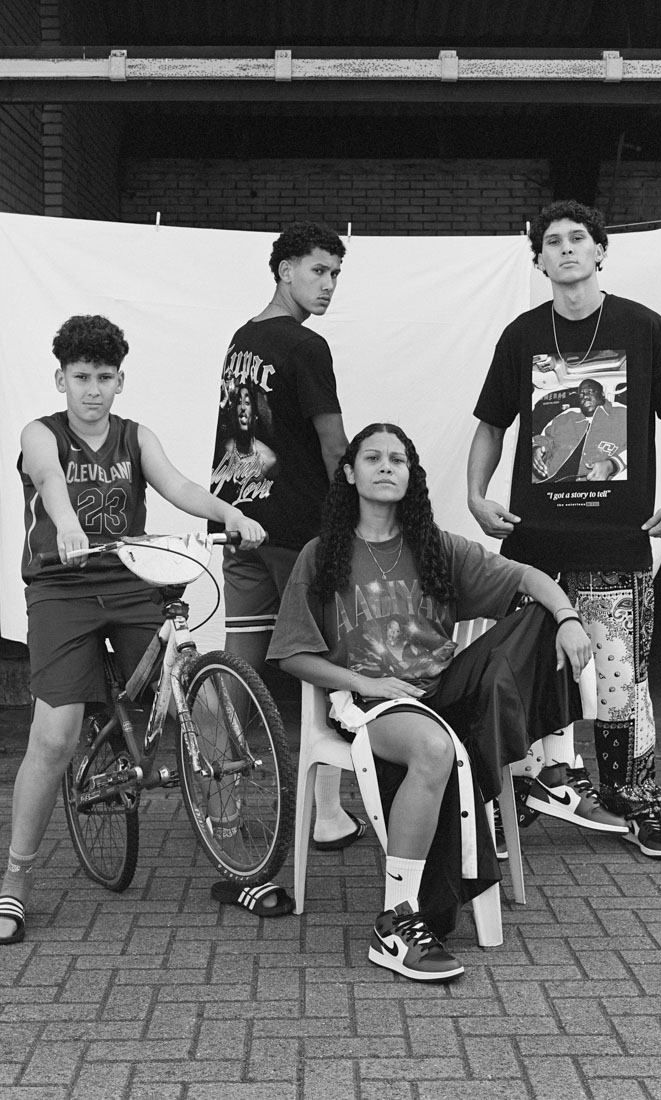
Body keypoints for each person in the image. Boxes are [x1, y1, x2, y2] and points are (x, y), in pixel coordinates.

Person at [0, 315, 266, 946]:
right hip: (61, 587)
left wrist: (229, 513)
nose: (93, 390)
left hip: (132, 579)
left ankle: (238, 852)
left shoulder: (136, 437)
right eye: (81, 377)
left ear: (120, 381)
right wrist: (66, 524)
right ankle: (15, 879)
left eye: (105, 377)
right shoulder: (41, 433)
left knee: (200, 698)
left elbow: (179, 485)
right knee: (54, 736)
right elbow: (50, 479)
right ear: (61, 379)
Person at [268, 423, 591, 982]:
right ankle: (396, 919)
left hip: (444, 691)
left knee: (538, 620)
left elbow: (527, 576)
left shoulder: (435, 547)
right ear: (350, 473)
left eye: (397, 459)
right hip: (370, 702)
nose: (385, 467)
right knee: (436, 749)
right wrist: (365, 682)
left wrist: (567, 617)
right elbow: (292, 654)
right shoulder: (322, 555)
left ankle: (535, 763)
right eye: (373, 458)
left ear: (411, 475)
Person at [468, 199, 661, 859]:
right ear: (539, 259)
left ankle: (634, 801)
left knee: (619, 681)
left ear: (600, 251)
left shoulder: (641, 327)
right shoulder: (522, 335)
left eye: (578, 238)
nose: (567, 249)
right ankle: (516, 798)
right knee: (519, 675)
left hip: (615, 542)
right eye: (553, 241)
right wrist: (475, 495)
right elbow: (491, 425)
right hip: (532, 547)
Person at [209, 222, 362, 852]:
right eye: (317, 270)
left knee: (238, 667)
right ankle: (326, 814)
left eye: (335, 274)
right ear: (284, 270)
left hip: (239, 524)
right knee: (325, 665)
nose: (328, 285)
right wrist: (352, 519)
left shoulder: (242, 339)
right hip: (298, 532)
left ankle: (219, 807)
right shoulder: (306, 345)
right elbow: (334, 443)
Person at [532, 377, 627, 483]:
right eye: (581, 395)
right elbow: (545, 438)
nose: (585, 396)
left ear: (602, 394)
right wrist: (536, 448)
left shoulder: (622, 415)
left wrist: (612, 465)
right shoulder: (566, 416)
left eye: (590, 392)